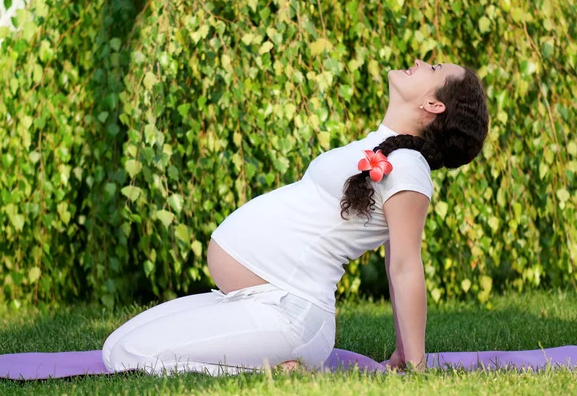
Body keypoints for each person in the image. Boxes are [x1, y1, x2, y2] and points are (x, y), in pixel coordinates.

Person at [101, 59, 490, 376]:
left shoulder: (408, 167)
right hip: (253, 301)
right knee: (114, 345)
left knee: (128, 356)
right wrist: (401, 352)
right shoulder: (382, 147)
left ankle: (275, 372)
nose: (421, 61)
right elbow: (394, 262)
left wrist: (415, 363)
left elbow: (404, 266)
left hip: (288, 315)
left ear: (434, 105)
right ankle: (276, 363)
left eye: (434, 68)